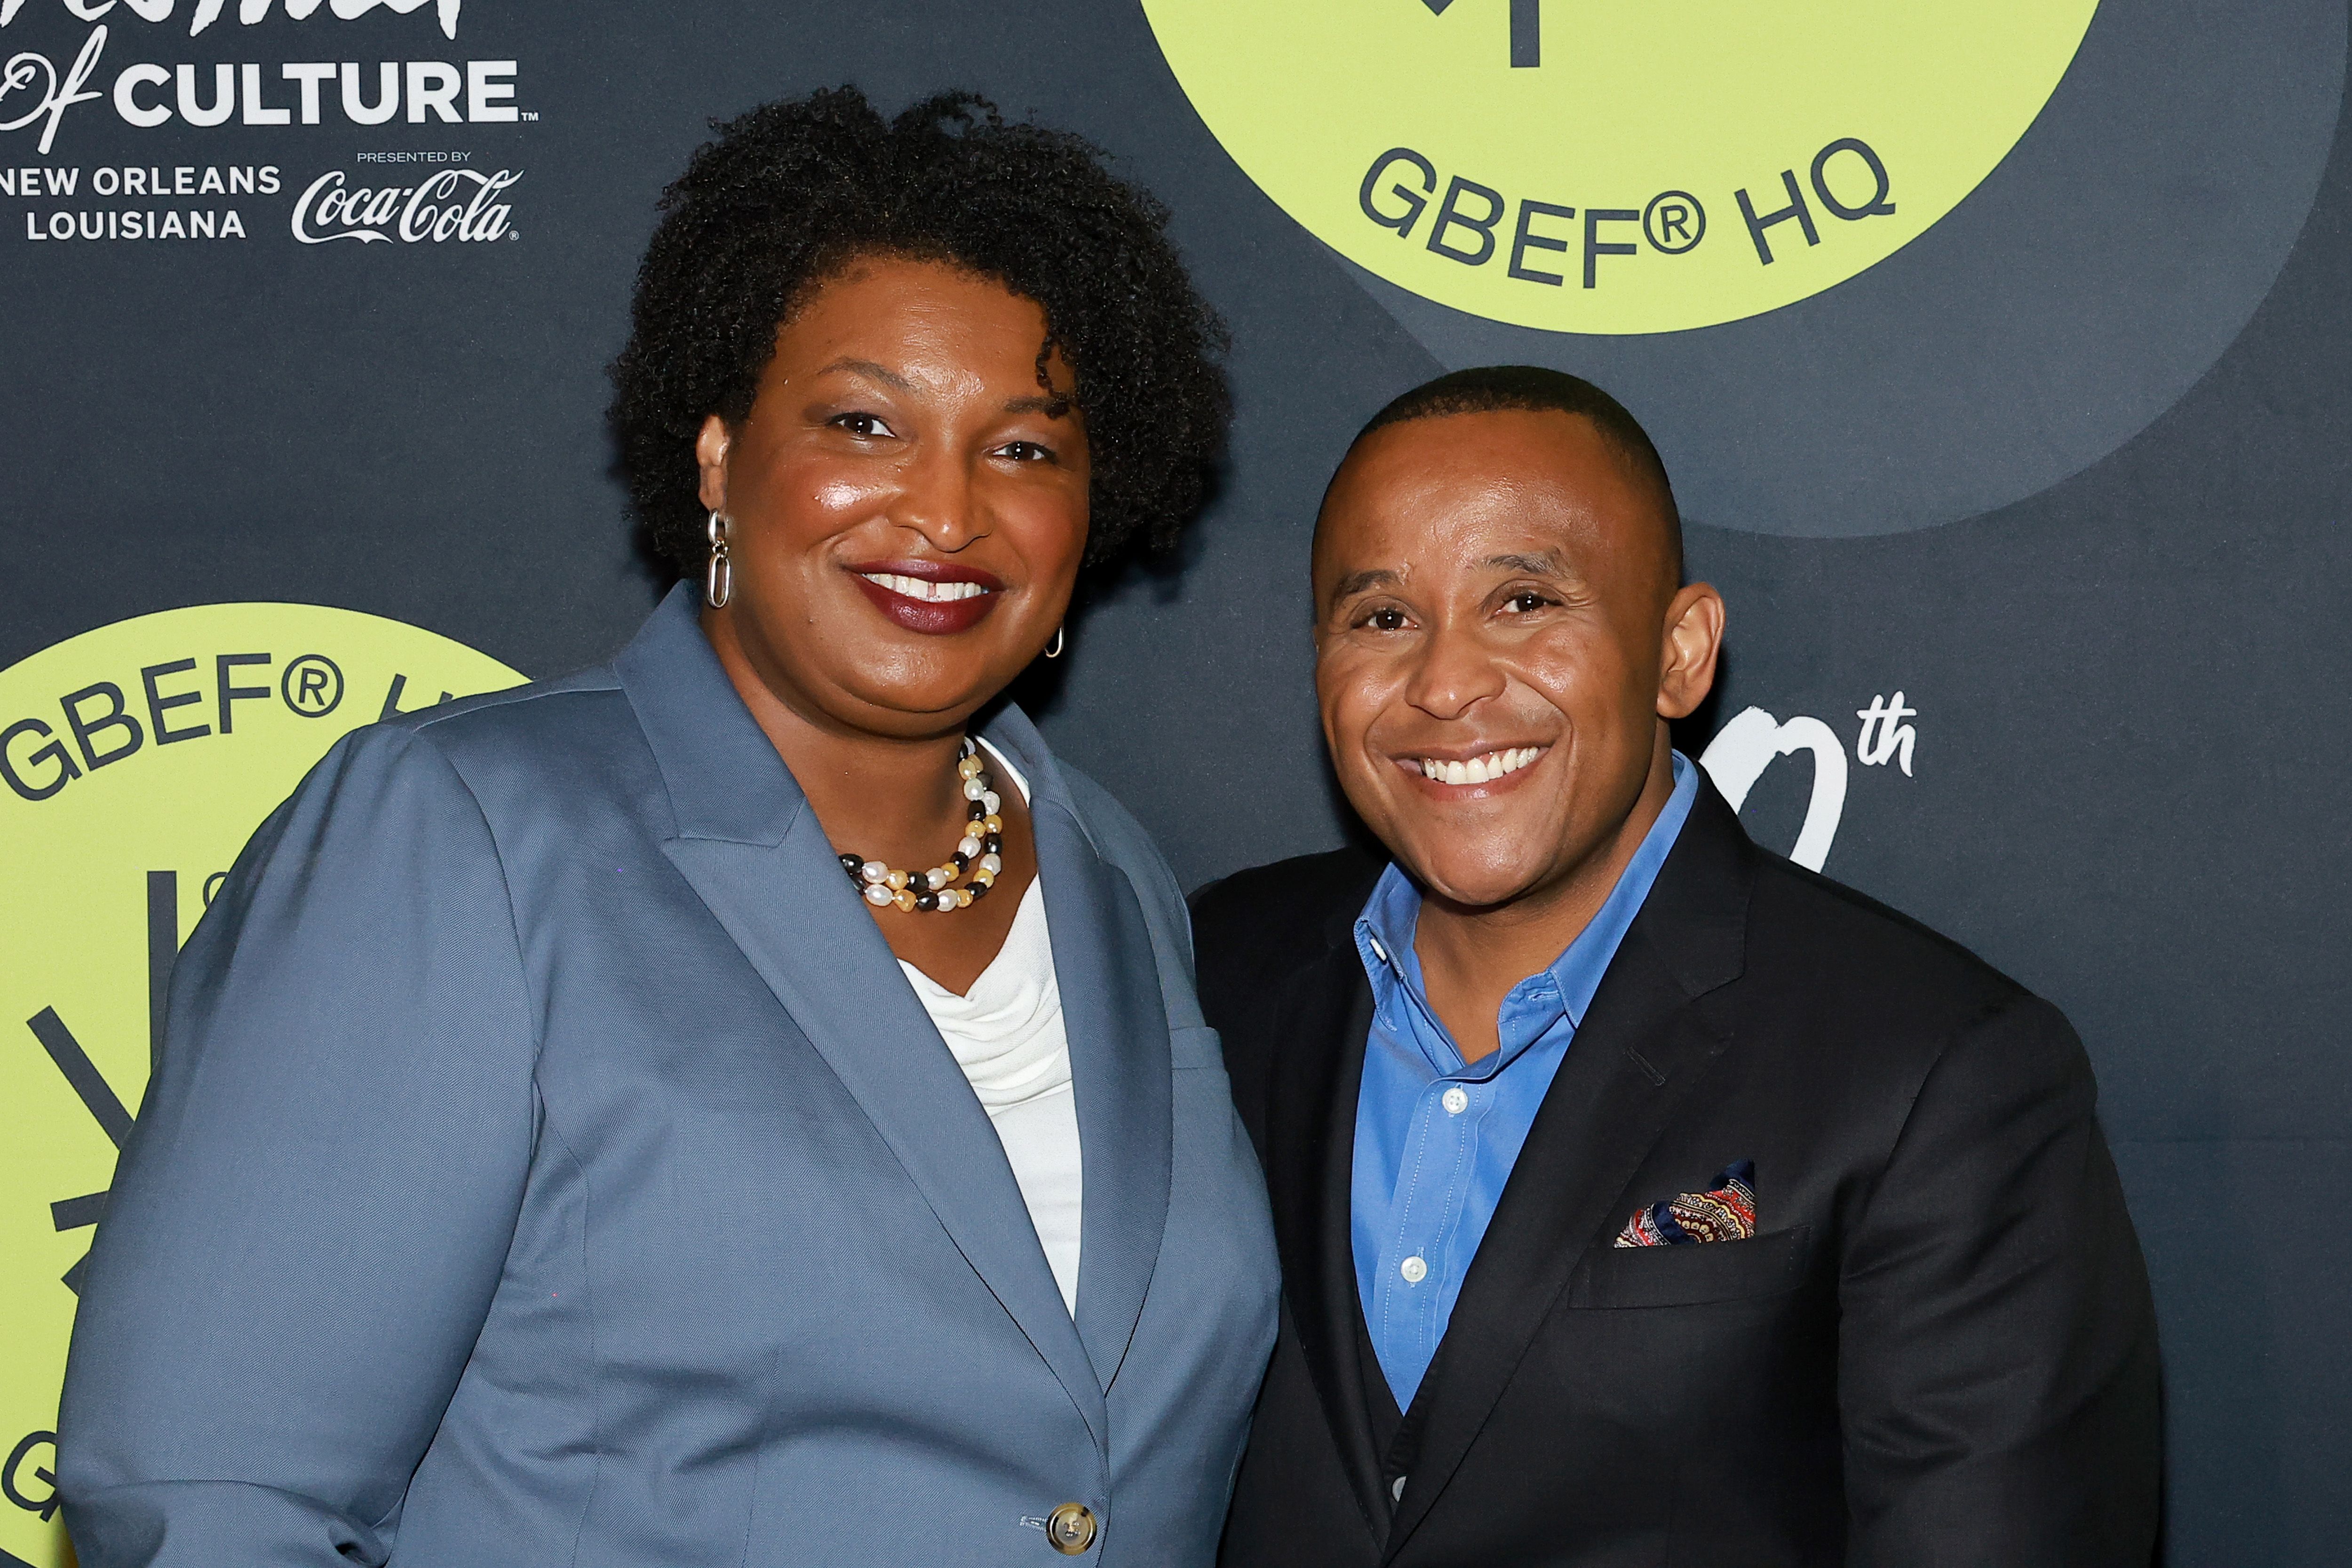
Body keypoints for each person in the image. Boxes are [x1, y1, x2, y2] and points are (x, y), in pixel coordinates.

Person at [58, 88, 1278, 1568]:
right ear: (717, 456)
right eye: (864, 423)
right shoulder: (462, 838)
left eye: (1023, 449)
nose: (947, 510)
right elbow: (216, 1497)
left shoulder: (1115, 878)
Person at [1195, 367, 2160, 1566]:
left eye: (1524, 601)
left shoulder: (1934, 1069)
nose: (1444, 683)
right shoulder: (1203, 977)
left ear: (1679, 653)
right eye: (1381, 617)